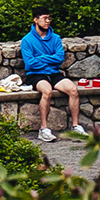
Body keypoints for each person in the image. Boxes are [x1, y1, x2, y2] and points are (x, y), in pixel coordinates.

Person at [19, 9, 80, 137]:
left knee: (73, 90)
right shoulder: (27, 40)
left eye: (49, 18)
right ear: (36, 20)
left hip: (54, 73)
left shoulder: (56, 38)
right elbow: (30, 63)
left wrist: (40, 58)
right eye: (44, 18)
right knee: (47, 91)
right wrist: (49, 59)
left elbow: (59, 58)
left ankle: (75, 126)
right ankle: (43, 129)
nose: (48, 21)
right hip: (35, 75)